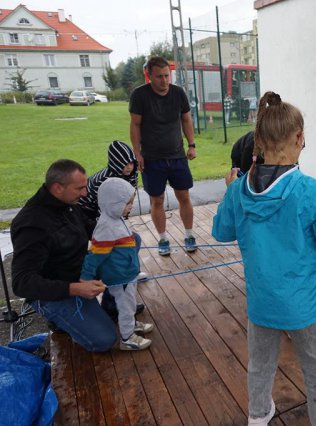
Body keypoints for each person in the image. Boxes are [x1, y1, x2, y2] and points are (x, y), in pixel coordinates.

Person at [213, 91, 316, 426]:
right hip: (303, 307)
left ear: (258, 139)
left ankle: (258, 415)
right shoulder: (310, 190)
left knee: (260, 363)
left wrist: (230, 191)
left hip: (262, 303)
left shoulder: (239, 190)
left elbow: (221, 230)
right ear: (299, 138)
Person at [10, 160, 117, 352]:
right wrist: (75, 289)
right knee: (104, 340)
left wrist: (116, 233)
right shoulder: (32, 224)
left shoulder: (67, 203)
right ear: (58, 188)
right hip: (56, 292)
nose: (85, 193)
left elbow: (89, 226)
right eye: (79, 188)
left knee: (129, 241)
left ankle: (111, 305)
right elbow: (22, 283)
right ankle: (59, 320)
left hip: (78, 271)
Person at [129, 56, 197, 256]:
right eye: (159, 77)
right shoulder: (139, 95)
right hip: (152, 158)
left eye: (167, 75)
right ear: (149, 76)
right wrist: (137, 153)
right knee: (156, 200)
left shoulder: (178, 93)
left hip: (177, 156)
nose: (164, 80)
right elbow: (135, 125)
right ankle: (163, 239)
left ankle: (189, 234)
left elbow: (186, 119)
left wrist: (191, 145)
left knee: (184, 196)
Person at [80, 178, 154, 351]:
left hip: (126, 274)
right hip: (119, 277)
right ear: (113, 203)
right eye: (127, 203)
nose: (130, 207)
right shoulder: (107, 226)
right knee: (126, 307)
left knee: (128, 304)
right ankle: (128, 338)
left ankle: (132, 324)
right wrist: (85, 278)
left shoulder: (115, 219)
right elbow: (95, 256)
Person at [77, 140, 147, 321]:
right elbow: (107, 214)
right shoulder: (104, 181)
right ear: (115, 163)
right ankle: (111, 304)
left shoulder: (131, 175)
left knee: (132, 240)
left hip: (109, 216)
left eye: (132, 162)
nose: (130, 167)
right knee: (122, 246)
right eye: (125, 164)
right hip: (88, 216)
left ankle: (126, 274)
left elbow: (126, 202)